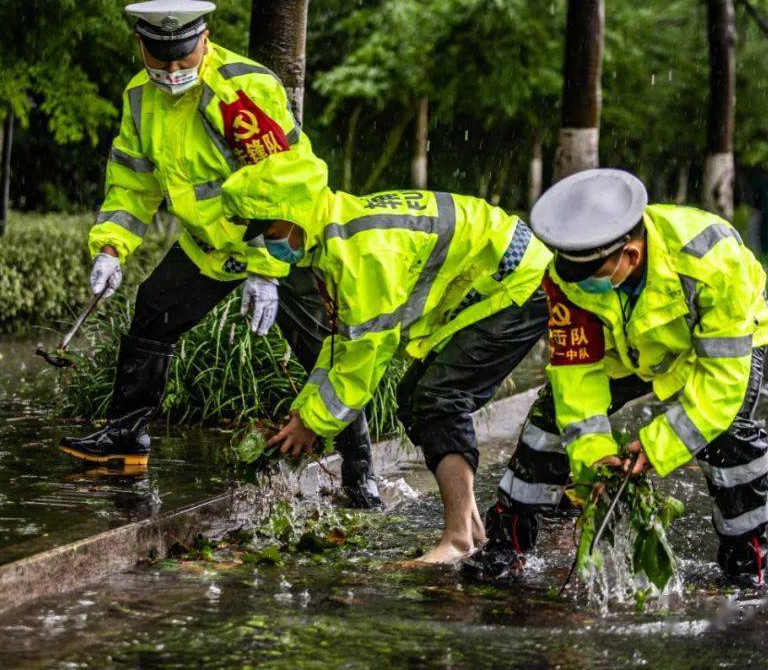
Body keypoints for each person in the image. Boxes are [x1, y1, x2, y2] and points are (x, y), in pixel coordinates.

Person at [57, 0, 381, 508]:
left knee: (324, 350)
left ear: (203, 41)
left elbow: (287, 185)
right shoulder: (140, 97)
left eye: (182, 57)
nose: (171, 70)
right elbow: (132, 182)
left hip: (282, 239)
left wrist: (269, 270)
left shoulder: (240, 91)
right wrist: (112, 249)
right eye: (160, 58)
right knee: (153, 313)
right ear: (140, 45)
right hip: (210, 245)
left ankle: (361, 472)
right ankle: (125, 437)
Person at [463, 169, 768, 587]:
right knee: (551, 417)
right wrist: (592, 454)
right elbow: (575, 374)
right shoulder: (567, 275)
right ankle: (507, 545)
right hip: (627, 348)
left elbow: (721, 381)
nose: (581, 286)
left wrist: (658, 445)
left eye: (595, 273)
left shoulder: (712, 262)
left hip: (708, 348)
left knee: (729, 439)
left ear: (631, 255)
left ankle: (744, 566)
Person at [216, 179, 552, 563]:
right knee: (413, 398)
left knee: (438, 399)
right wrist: (304, 411)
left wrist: (313, 422)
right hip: (500, 275)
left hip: (518, 280)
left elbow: (364, 359)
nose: (270, 246)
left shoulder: (361, 255)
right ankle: (472, 528)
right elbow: (342, 346)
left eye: (272, 233)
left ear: (295, 218)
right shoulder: (335, 237)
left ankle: (459, 538)